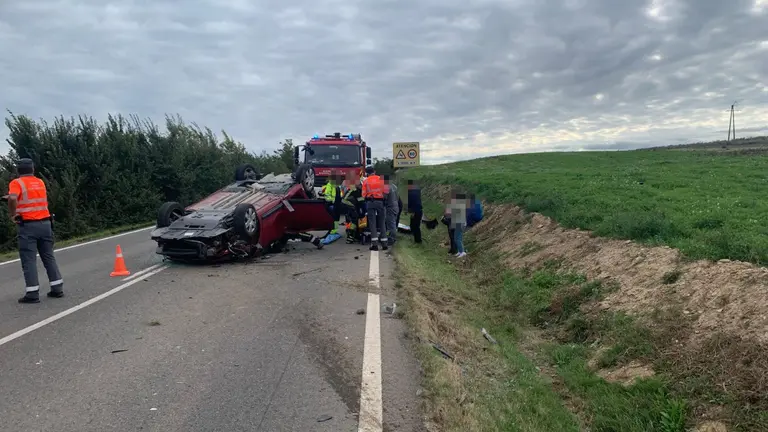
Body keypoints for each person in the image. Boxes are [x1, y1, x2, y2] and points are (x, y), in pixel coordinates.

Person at [6, 158, 64, 303]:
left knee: (29, 260)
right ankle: (57, 288)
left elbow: (13, 197)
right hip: (45, 223)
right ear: (33, 169)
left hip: (28, 226)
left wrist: (13, 214)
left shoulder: (16, 183)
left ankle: (32, 293)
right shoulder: (39, 182)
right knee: (48, 256)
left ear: (18, 170)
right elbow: (32, 197)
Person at [361, 166, 387, 251]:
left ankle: (375, 245)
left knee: (372, 223)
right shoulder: (381, 179)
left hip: (370, 202)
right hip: (380, 202)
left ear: (367, 173)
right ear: (374, 171)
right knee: (382, 222)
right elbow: (386, 192)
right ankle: (384, 244)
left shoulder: (366, 181)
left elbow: (363, 194)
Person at [320, 170, 342, 235]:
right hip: (331, 203)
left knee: (337, 217)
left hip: (338, 203)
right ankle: (332, 229)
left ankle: (335, 230)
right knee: (333, 217)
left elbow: (340, 194)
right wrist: (331, 201)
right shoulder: (329, 184)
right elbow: (327, 194)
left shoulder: (338, 185)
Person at [449, 191, 468, 258]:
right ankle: (460, 251)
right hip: (459, 224)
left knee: (458, 238)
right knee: (456, 238)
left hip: (460, 225)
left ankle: (462, 252)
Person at [383, 174, 400, 246]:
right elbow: (398, 197)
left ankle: (391, 239)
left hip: (390, 207)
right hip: (396, 207)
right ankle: (393, 238)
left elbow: (384, 198)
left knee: (391, 224)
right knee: (393, 223)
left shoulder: (386, 187)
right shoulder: (394, 186)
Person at [406, 179, 423, 244]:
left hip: (415, 211)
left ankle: (418, 241)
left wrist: (411, 211)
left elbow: (411, 202)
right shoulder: (417, 191)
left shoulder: (411, 193)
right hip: (419, 210)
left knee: (414, 226)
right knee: (415, 226)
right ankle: (416, 239)